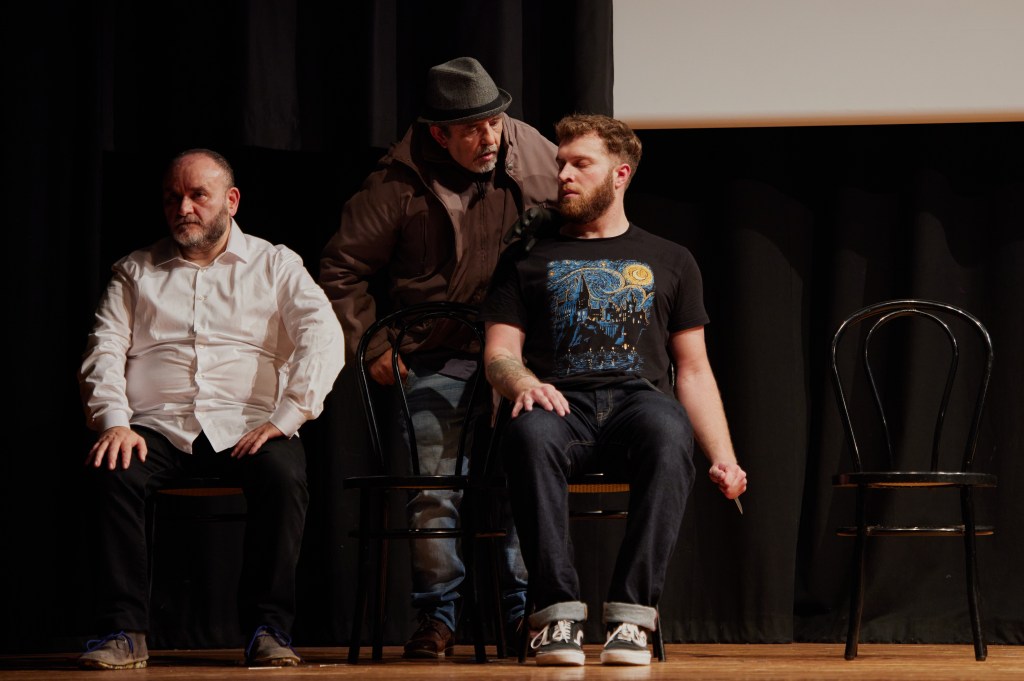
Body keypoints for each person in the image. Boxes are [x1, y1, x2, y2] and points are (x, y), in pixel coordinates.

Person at [480, 114, 748, 667]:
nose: (564, 175)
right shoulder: (526, 257)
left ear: (620, 174)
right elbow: (499, 353)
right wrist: (523, 382)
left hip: (636, 404)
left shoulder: (671, 259)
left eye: (581, 163)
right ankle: (555, 616)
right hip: (560, 403)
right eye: (561, 163)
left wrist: (723, 456)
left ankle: (632, 618)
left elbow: (693, 369)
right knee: (528, 433)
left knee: (669, 429)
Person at [319, 56, 559, 658]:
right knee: (434, 489)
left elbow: (585, 224)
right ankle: (437, 617)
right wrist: (373, 345)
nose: (489, 138)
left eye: (494, 122)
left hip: (520, 354)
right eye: (472, 129)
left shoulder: (535, 155)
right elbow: (341, 269)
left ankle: (525, 615)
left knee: (525, 479)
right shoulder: (397, 183)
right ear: (439, 133)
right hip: (434, 356)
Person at [77, 149, 344, 670]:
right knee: (113, 468)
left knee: (283, 473)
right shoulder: (135, 271)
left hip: (246, 426)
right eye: (172, 198)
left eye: (198, 195)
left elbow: (324, 335)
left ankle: (268, 629)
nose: (184, 208)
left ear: (231, 200)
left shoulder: (274, 264)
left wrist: (287, 417)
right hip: (156, 427)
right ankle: (124, 631)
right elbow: (103, 348)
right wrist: (114, 422)